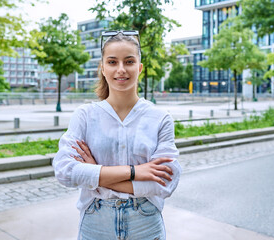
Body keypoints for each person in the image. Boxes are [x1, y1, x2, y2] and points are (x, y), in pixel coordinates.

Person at [53, 30, 182, 240]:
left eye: (129, 61)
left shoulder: (160, 118)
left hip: (145, 223)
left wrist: (95, 173)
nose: (121, 69)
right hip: (96, 223)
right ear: (102, 68)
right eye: (112, 62)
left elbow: (165, 183)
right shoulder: (85, 116)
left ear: (139, 68)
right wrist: (134, 171)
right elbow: (65, 171)